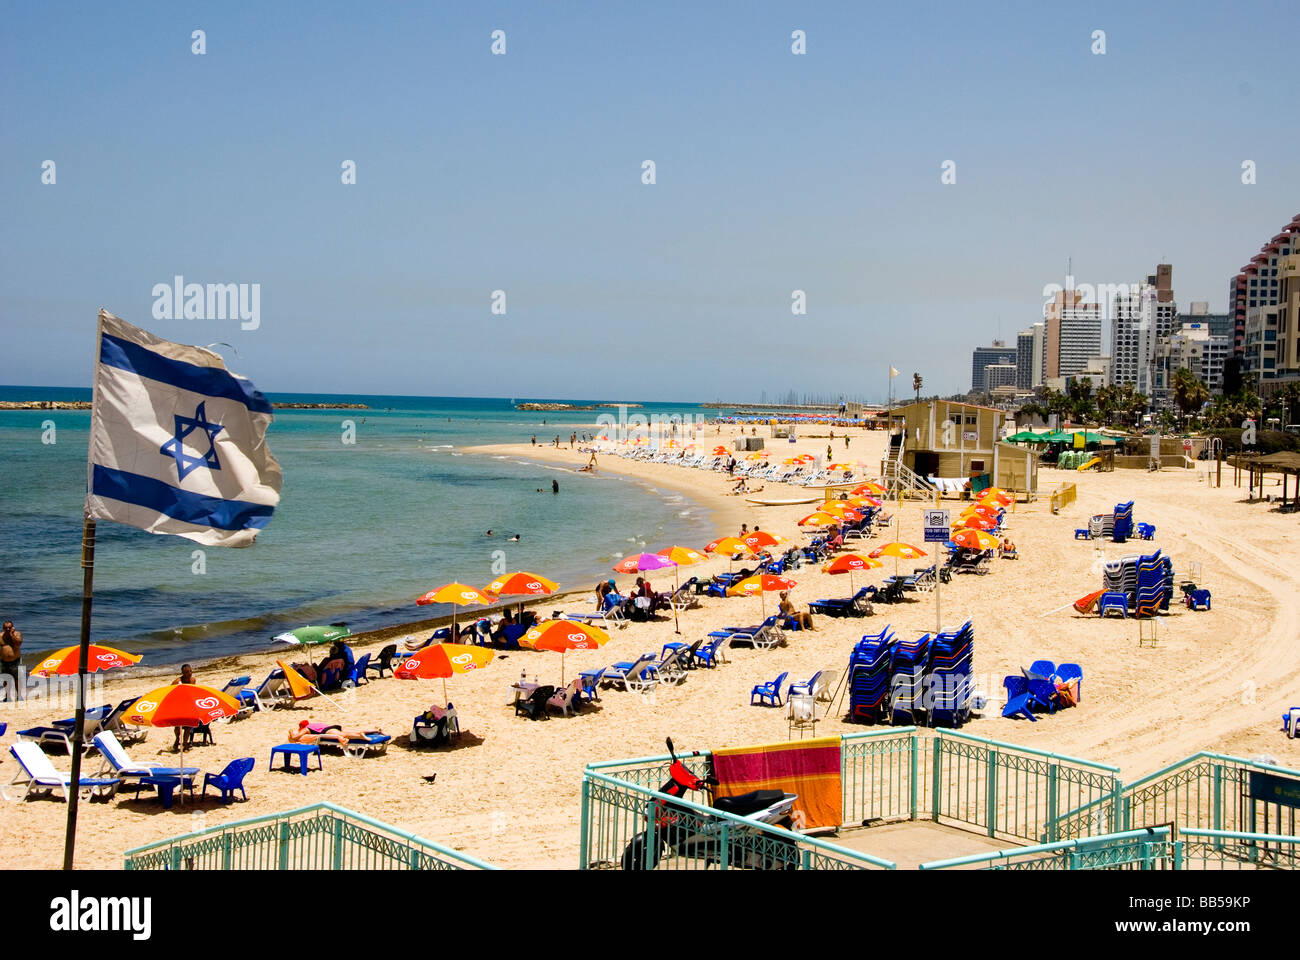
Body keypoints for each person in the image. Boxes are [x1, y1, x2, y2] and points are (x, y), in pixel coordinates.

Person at [173, 664, 196, 750]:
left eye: (190, 671)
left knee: (188, 727)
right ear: (182, 673)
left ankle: (185, 744)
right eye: (187, 672)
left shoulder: (193, 680)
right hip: (178, 706)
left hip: (189, 705)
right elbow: (169, 694)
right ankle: (177, 739)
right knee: (178, 728)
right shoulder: (177, 682)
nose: (189, 673)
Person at [1, 621, 23, 702]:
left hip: (15, 661)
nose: (7, 629)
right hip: (4, 662)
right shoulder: (0, 636)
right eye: (6, 628)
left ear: (12, 627)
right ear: (3, 628)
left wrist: (12, 634)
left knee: (17, 679)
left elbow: (18, 643)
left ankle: (19, 696)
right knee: (6, 680)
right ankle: (7, 697)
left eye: (9, 628)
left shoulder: (17, 635)